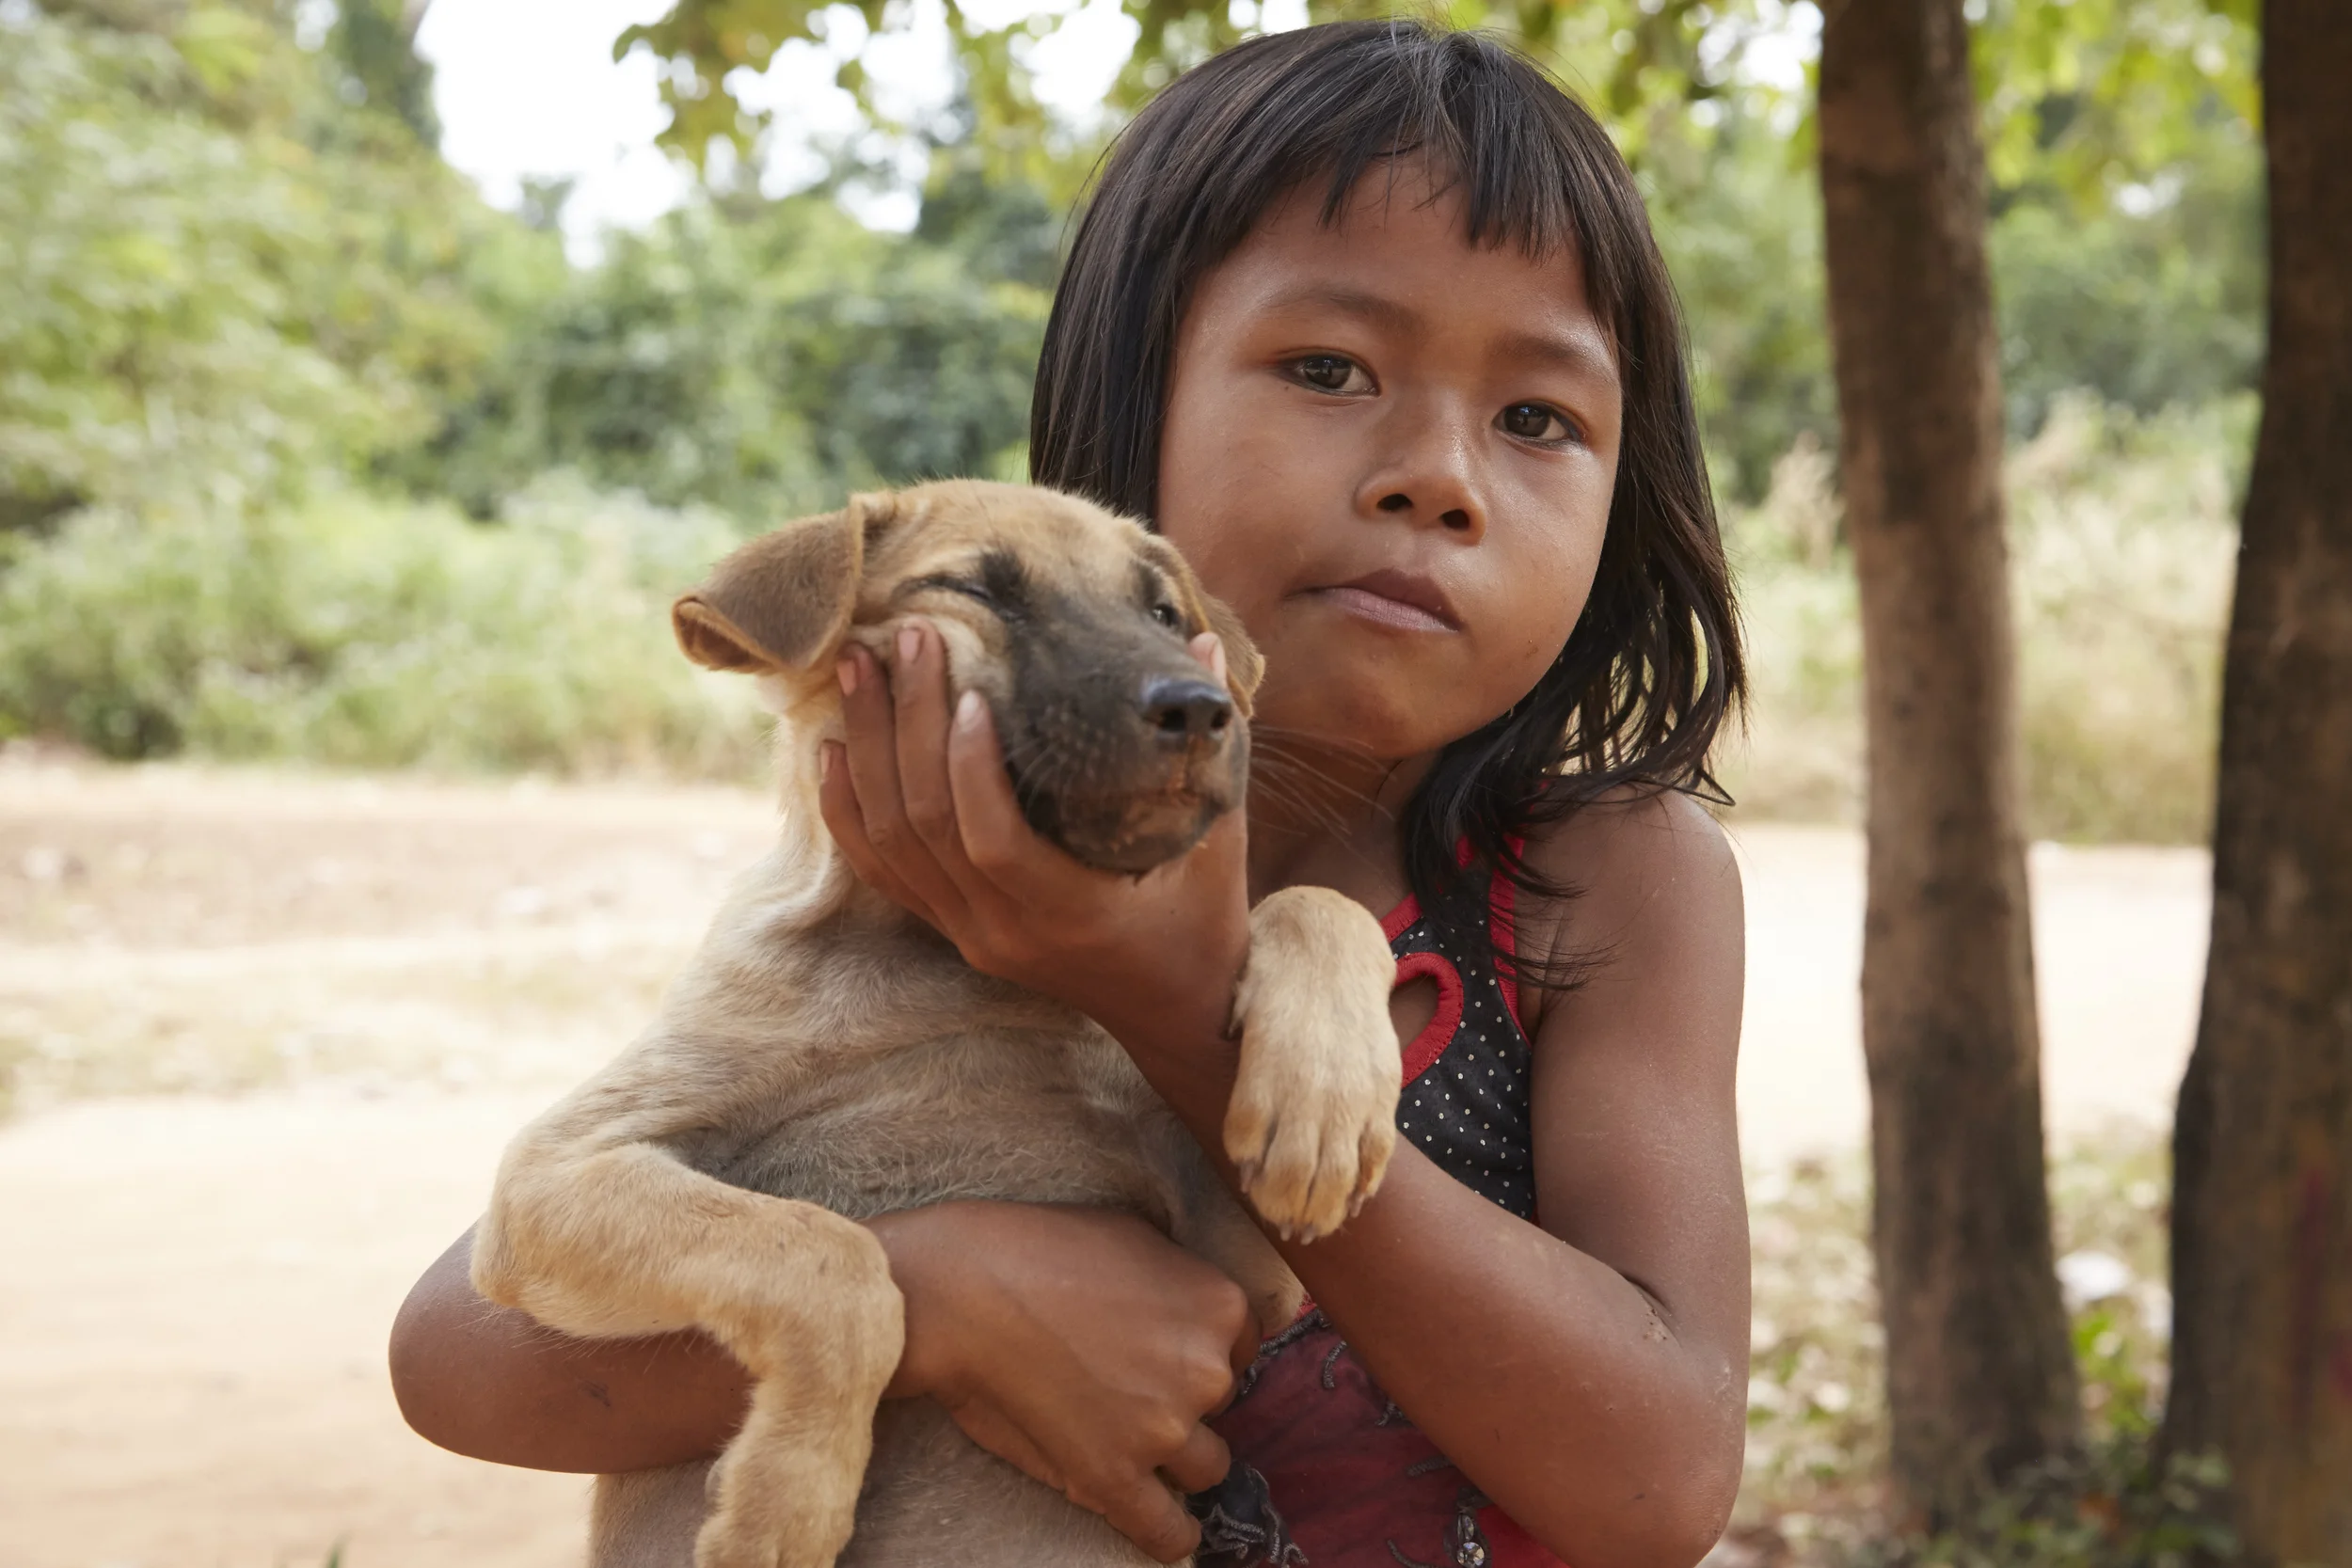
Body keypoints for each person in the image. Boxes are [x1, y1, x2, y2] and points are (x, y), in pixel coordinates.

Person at [390, 20, 1751, 1568]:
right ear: (1124, 416)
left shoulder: (1609, 877)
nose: (1436, 474)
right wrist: (936, 1297)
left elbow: (1658, 1483)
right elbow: (458, 1353)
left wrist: (1184, 1001)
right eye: (1328, 368)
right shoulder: (938, 849)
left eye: (1538, 419)